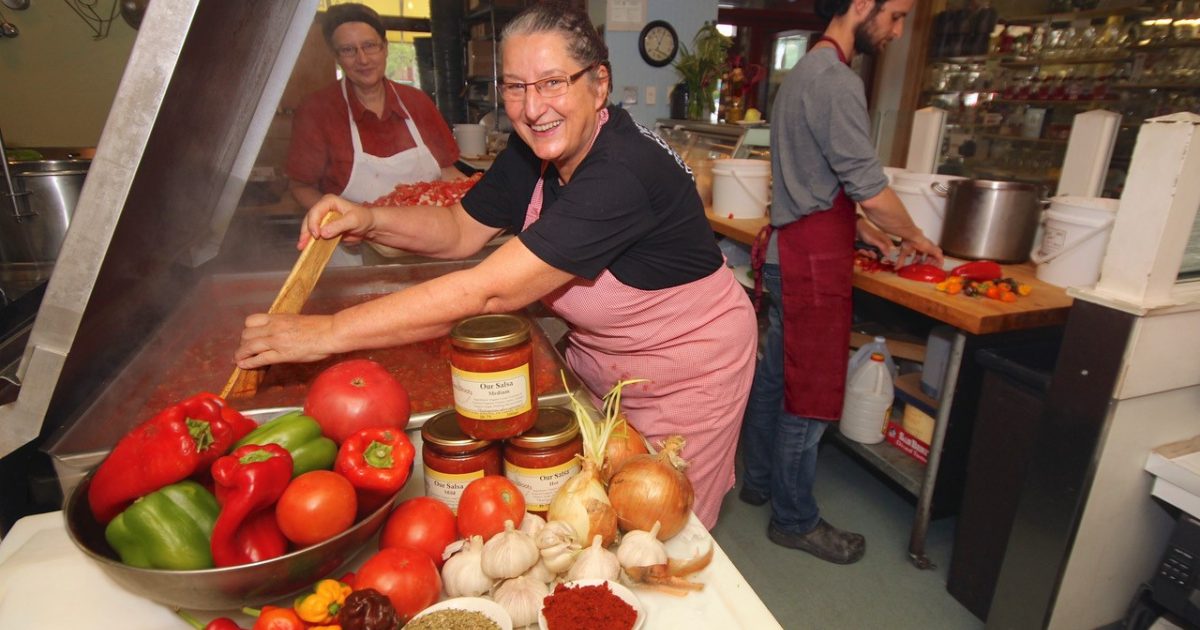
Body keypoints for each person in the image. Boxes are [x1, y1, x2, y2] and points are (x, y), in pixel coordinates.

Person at [235, 2, 757, 529]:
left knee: (658, 528)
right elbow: (461, 229)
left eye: (553, 82)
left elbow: (487, 292)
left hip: (688, 372)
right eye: (515, 87)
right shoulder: (535, 150)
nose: (533, 109)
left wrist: (323, 333)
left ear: (599, 85)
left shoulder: (622, 172)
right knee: (593, 517)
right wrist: (367, 218)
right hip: (606, 362)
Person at [740, 0, 943, 565]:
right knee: (811, 397)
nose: (898, 31)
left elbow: (816, 175)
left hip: (788, 252)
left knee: (776, 378)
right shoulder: (837, 80)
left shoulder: (803, 70)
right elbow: (869, 186)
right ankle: (795, 519)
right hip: (812, 266)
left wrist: (864, 230)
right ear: (861, 6)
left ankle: (757, 481)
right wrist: (914, 236)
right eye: (896, 16)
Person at [286, 3, 462, 214]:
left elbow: (446, 172)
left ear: (385, 48)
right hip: (353, 242)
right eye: (348, 50)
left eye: (370, 45)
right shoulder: (317, 111)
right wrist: (342, 221)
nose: (362, 59)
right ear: (337, 57)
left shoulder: (417, 103)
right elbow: (300, 187)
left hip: (427, 239)